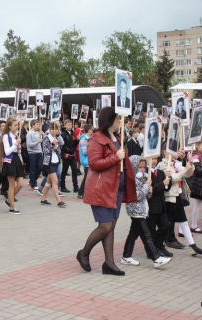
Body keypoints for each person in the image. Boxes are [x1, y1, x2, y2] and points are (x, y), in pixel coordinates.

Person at [76, 107, 137, 276]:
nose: (120, 122)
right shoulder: (96, 138)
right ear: (110, 120)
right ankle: (84, 253)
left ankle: (109, 263)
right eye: (118, 119)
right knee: (105, 226)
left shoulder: (117, 137)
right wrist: (116, 157)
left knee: (112, 226)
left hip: (116, 188)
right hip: (102, 188)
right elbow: (94, 164)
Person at [121, 156, 172, 268]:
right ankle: (156, 258)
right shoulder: (131, 179)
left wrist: (148, 188)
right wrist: (146, 187)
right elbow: (137, 195)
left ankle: (126, 256)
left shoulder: (142, 178)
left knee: (133, 234)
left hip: (141, 209)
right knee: (146, 235)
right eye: (140, 167)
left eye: (144, 167)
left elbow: (146, 195)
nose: (142, 170)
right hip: (135, 209)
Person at [158, 144, 202, 255]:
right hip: (168, 198)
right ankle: (159, 246)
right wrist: (185, 170)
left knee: (184, 222)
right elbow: (172, 179)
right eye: (171, 151)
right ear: (165, 153)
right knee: (165, 224)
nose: (174, 153)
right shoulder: (162, 165)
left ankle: (193, 245)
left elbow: (188, 173)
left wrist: (190, 164)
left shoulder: (177, 163)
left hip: (178, 196)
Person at [0, 118, 24, 214]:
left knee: (20, 184)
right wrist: (16, 144)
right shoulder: (5, 136)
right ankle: (12, 208)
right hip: (9, 161)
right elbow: (7, 151)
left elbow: (17, 151)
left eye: (17, 125)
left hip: (16, 159)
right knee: (11, 185)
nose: (17, 127)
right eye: (15, 125)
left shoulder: (16, 136)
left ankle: (9, 200)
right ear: (9, 126)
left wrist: (19, 147)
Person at [39, 122, 66, 207]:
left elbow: (61, 146)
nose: (55, 131)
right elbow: (45, 150)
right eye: (53, 129)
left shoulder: (57, 137)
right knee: (55, 181)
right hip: (48, 162)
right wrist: (52, 145)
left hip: (56, 161)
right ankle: (59, 201)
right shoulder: (46, 138)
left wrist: (56, 146)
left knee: (48, 182)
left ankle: (43, 199)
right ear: (50, 129)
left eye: (57, 129)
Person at [60, 120, 79, 193]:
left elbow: (74, 144)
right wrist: (64, 153)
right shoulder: (63, 134)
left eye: (71, 125)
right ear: (65, 125)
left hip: (72, 154)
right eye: (68, 125)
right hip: (66, 155)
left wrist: (77, 140)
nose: (70, 126)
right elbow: (61, 146)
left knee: (74, 170)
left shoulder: (73, 133)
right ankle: (62, 186)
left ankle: (75, 186)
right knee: (64, 171)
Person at [26, 120, 43, 191]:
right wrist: (37, 142)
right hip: (32, 153)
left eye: (38, 125)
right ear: (33, 125)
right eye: (37, 124)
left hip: (39, 152)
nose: (38, 126)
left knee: (40, 167)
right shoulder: (29, 134)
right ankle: (33, 184)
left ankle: (32, 180)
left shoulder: (38, 133)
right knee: (32, 169)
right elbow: (29, 145)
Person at [77, 124, 92, 199]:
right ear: (89, 130)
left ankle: (85, 192)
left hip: (90, 160)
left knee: (89, 177)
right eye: (92, 129)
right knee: (86, 177)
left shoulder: (90, 138)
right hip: (86, 161)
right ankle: (80, 192)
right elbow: (85, 152)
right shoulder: (83, 139)